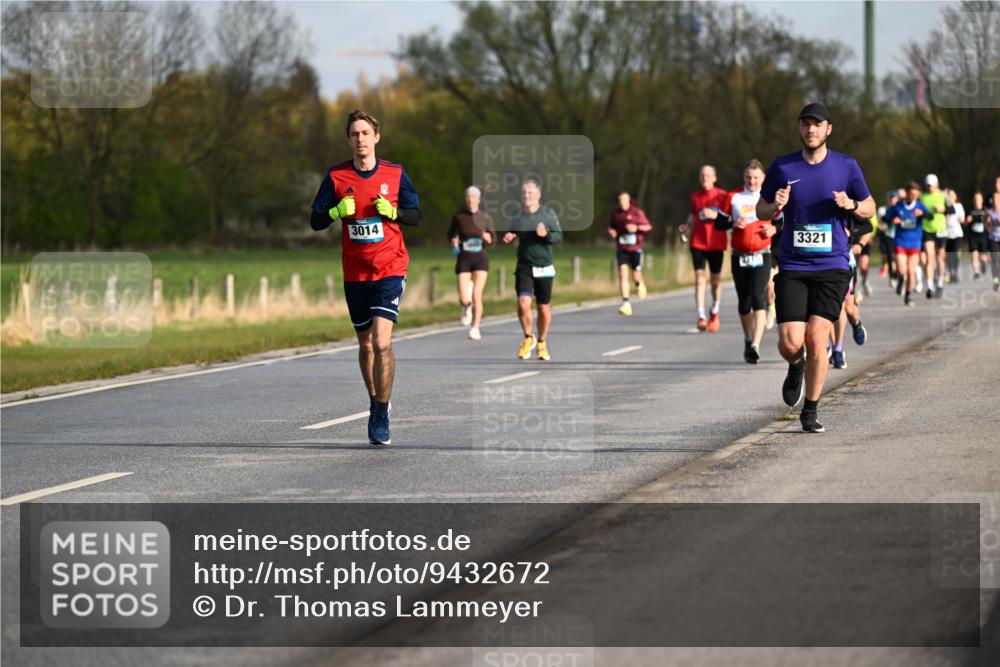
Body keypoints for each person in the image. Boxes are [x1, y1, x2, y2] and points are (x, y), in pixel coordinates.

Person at [756, 102, 875, 433]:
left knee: (815, 336)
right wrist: (774, 205)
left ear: (828, 129)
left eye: (817, 124)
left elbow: (870, 205)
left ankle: (810, 410)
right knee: (790, 343)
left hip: (832, 265)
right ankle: (796, 366)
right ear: (799, 128)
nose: (811, 129)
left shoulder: (846, 166)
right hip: (793, 265)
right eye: (806, 124)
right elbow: (760, 211)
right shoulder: (782, 166)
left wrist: (851, 204)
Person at [310, 110, 421, 446]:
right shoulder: (336, 177)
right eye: (354, 134)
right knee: (364, 345)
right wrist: (333, 213)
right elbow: (314, 220)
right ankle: (375, 400)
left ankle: (382, 413)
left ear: (377, 137)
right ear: (348, 139)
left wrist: (395, 213)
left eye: (365, 133)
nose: (360, 139)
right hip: (355, 272)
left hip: (390, 266)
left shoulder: (395, 173)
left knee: (381, 342)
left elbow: (416, 214)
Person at [712, 159, 776, 363]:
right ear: (744, 178)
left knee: (758, 297)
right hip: (739, 256)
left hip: (762, 253)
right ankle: (748, 339)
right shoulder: (733, 196)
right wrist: (732, 221)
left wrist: (773, 229)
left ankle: (756, 345)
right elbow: (719, 224)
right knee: (744, 302)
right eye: (749, 177)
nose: (752, 181)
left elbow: (782, 221)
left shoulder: (769, 196)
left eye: (756, 177)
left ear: (763, 178)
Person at [502, 178, 563, 360]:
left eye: (530, 193)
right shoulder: (518, 215)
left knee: (543, 308)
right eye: (524, 193)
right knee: (523, 302)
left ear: (539, 195)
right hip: (525, 265)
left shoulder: (548, 214)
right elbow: (513, 231)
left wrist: (546, 235)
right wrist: (510, 236)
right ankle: (529, 336)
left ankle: (542, 342)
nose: (526, 196)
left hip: (544, 265)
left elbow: (559, 236)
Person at [679, 165, 729, 332]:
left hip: (716, 242)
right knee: (700, 279)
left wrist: (715, 215)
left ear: (714, 178)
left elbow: (730, 217)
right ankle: (701, 316)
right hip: (698, 242)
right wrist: (686, 226)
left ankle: (714, 311)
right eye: (702, 175)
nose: (705, 178)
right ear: (699, 178)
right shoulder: (695, 196)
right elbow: (693, 215)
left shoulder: (722, 196)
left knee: (715, 281)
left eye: (708, 175)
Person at [448, 186, 496, 340]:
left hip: (480, 259)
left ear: (479, 199)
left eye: (473, 197)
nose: (470, 199)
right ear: (465, 199)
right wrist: (454, 241)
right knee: (464, 298)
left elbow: (493, 239)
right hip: (464, 258)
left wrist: (488, 238)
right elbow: (451, 234)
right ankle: (466, 307)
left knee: (477, 294)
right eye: (468, 196)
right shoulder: (459, 217)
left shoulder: (485, 218)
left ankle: (475, 327)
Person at [829, 213, 872, 369]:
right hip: (821, 261)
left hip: (845, 261)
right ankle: (837, 349)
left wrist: (858, 243)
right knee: (830, 305)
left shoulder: (847, 206)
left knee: (848, 307)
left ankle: (856, 324)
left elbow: (868, 227)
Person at [886, 181, 931, 307]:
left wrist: (923, 214)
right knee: (901, 270)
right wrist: (892, 220)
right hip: (900, 241)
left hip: (915, 243)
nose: (913, 197)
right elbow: (886, 217)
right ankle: (901, 279)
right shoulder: (898, 206)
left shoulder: (920, 206)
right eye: (911, 194)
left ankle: (908, 295)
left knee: (911, 272)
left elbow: (931, 216)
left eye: (915, 195)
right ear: (906, 193)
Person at [608, 191, 653, 316]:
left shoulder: (637, 212)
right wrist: (612, 232)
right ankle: (626, 303)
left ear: (629, 201)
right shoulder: (615, 214)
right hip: (622, 248)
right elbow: (611, 227)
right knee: (622, 273)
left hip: (635, 248)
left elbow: (648, 227)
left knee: (635, 275)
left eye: (624, 200)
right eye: (620, 200)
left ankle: (640, 284)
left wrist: (637, 228)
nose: (622, 202)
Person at [920, 173, 948, 298]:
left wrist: (942, 210)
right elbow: (919, 211)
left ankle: (940, 282)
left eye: (931, 185)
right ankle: (930, 286)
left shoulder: (943, 195)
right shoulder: (922, 197)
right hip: (927, 229)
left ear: (937, 185)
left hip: (941, 229)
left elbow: (952, 209)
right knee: (929, 257)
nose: (929, 187)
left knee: (940, 258)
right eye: (928, 185)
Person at [877, 189, 902, 287]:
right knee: (890, 257)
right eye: (891, 199)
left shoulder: (900, 209)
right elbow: (879, 222)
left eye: (894, 199)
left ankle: (898, 275)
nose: (893, 200)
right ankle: (892, 276)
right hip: (887, 235)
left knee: (898, 257)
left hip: (899, 236)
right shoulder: (883, 210)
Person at [965, 191, 990, 280]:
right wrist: (967, 220)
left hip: (983, 236)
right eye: (975, 199)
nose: (977, 200)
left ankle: (983, 264)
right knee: (974, 254)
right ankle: (976, 272)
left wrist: (987, 219)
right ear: (973, 200)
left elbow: (989, 222)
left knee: (983, 256)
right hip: (972, 236)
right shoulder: (970, 210)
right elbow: (965, 222)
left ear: (982, 200)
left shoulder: (985, 210)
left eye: (979, 198)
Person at [944, 188, 965, 283]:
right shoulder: (945, 207)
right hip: (947, 234)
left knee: (955, 253)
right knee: (948, 256)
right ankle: (951, 272)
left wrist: (961, 219)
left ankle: (955, 271)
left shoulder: (959, 206)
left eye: (952, 195)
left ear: (955, 197)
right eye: (949, 195)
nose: (951, 197)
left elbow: (962, 218)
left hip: (957, 234)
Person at [989, 193, 1000, 292]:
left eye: (998, 199)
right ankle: (995, 281)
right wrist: (987, 223)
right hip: (993, 239)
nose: (996, 201)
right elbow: (986, 226)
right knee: (995, 261)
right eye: (994, 199)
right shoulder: (989, 212)